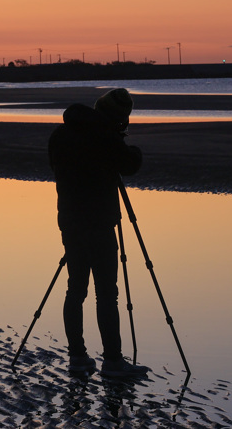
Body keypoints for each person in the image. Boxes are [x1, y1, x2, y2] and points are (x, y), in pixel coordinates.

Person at [48, 88, 149, 379]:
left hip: (69, 219)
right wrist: (129, 147)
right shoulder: (105, 137)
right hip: (100, 222)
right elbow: (130, 164)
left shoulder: (60, 135)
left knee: (75, 290)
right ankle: (113, 362)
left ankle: (77, 357)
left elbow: (54, 167)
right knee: (107, 293)